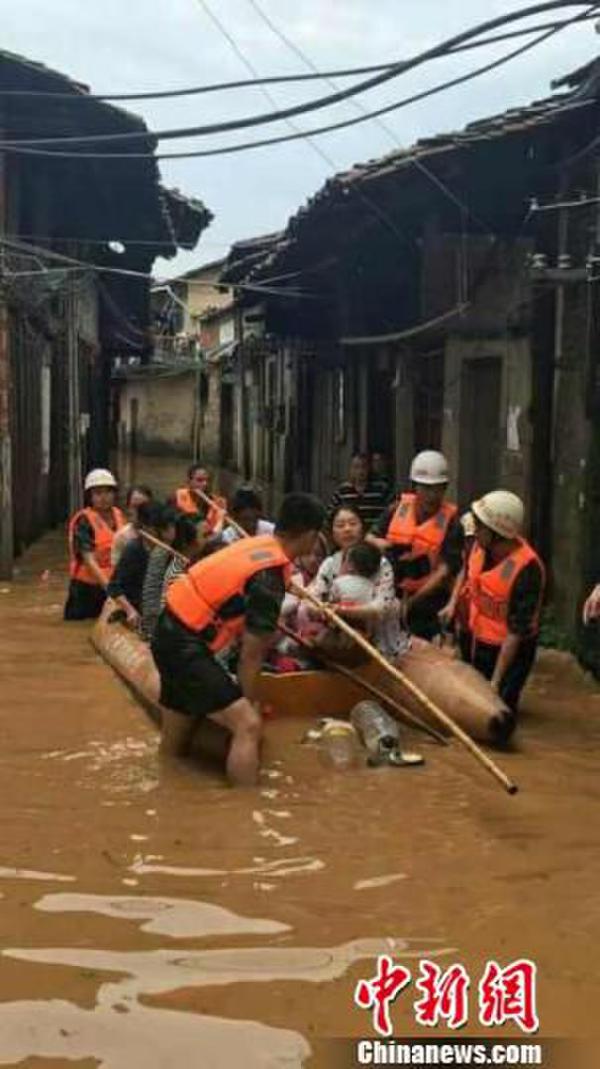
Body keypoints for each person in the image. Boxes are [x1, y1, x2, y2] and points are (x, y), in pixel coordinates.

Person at [152, 493, 326, 786]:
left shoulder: (256, 545)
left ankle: (167, 794)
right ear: (310, 535)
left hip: (167, 632)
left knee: (176, 739)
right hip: (186, 645)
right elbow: (252, 654)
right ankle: (246, 815)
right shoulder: (269, 574)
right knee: (247, 725)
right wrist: (248, 702)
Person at [463, 490, 545, 714]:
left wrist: (496, 682)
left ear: (496, 532)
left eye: (480, 526)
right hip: (480, 640)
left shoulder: (527, 570)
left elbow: (515, 633)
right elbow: (468, 579)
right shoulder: (480, 548)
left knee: (499, 710)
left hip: (512, 650)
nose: (475, 530)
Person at [368, 450, 463, 641]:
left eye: (438, 488)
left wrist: (412, 601)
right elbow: (370, 537)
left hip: (430, 600)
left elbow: (444, 571)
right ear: (415, 487)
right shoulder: (396, 509)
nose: (432, 495)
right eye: (426, 488)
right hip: (391, 592)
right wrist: (387, 546)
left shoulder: (452, 523)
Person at [308, 505, 402, 661]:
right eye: (340, 525)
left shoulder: (382, 563)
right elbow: (314, 596)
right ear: (332, 532)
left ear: (362, 528)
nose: (347, 529)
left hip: (377, 637)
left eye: (353, 524)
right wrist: (318, 608)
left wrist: (342, 610)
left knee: (393, 605)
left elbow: (379, 607)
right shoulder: (329, 564)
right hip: (338, 633)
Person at [64, 469, 125, 621]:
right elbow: (89, 560)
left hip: (111, 585)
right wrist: (110, 589)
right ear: (90, 496)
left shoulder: (119, 515)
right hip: (86, 589)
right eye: (98, 493)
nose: (103, 498)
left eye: (107, 492)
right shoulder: (84, 521)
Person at [108, 503, 176, 629]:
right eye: (166, 528)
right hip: (139, 605)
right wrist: (130, 611)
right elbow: (114, 587)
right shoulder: (134, 550)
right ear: (148, 528)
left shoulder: (174, 548)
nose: (171, 533)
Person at [326, 452, 390, 530]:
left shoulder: (381, 490)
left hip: (374, 535)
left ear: (369, 468)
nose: (360, 471)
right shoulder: (342, 491)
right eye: (356, 467)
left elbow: (389, 513)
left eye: (363, 467)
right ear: (350, 469)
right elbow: (330, 515)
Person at [172, 463, 226, 534]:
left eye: (208, 480)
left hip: (213, 539)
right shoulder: (178, 497)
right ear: (189, 481)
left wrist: (221, 517)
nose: (205, 484)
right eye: (199, 480)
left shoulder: (218, 502)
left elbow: (219, 531)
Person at [111, 485, 153, 567]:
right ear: (128, 508)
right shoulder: (121, 536)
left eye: (143, 506)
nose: (139, 511)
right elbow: (117, 570)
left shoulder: (163, 534)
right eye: (134, 506)